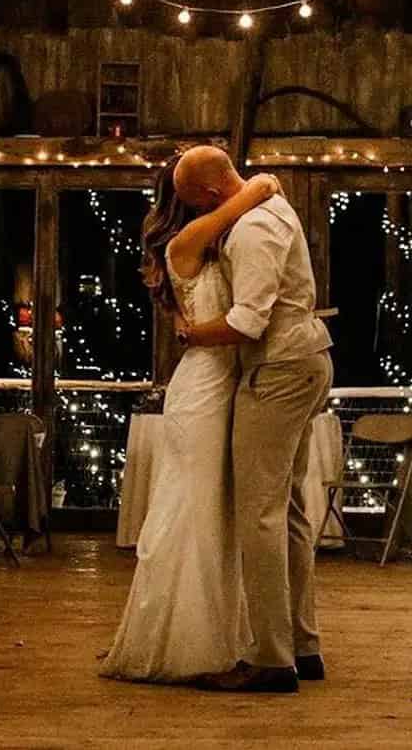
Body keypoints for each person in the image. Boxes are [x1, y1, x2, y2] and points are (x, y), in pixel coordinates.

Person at [99, 159, 281, 683]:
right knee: (194, 509)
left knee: (215, 512)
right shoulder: (185, 244)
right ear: (194, 202)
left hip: (222, 381)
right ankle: (183, 642)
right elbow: (240, 201)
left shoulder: (200, 240)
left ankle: (217, 634)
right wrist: (263, 185)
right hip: (202, 387)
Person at [173, 146, 333, 696]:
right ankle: (302, 645)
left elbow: (248, 320)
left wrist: (190, 335)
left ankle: (271, 658)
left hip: (279, 368)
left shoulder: (252, 230)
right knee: (286, 509)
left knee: (259, 513)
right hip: (301, 360)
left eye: (196, 205)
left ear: (214, 196)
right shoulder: (269, 209)